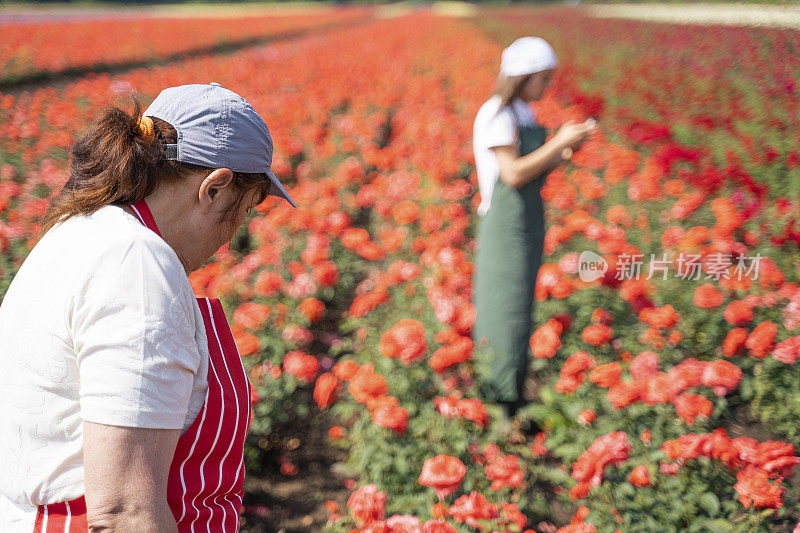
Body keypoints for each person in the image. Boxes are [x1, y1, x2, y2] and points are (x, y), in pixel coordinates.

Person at [0, 82, 296, 532]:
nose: (233, 236)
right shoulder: (135, 264)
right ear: (214, 188)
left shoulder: (83, 229)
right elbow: (124, 511)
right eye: (245, 210)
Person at [472, 38, 597, 419]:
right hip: (504, 226)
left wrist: (566, 149)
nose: (547, 86)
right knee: (503, 309)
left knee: (520, 308)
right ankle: (496, 400)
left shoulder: (523, 112)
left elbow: (533, 168)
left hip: (525, 222)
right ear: (523, 77)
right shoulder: (499, 114)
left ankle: (512, 395)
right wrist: (557, 142)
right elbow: (511, 173)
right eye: (543, 78)